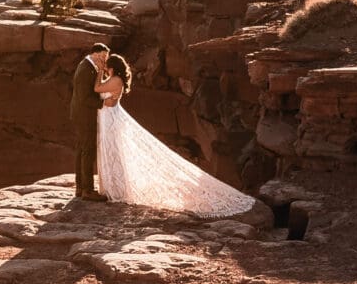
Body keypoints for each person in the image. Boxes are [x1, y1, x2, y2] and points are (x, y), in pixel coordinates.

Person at [91, 52, 258, 218]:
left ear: (112, 68)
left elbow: (97, 88)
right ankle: (113, 186)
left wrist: (98, 71)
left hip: (112, 118)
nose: (105, 69)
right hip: (109, 118)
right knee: (112, 152)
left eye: (107, 67)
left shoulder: (116, 80)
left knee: (114, 151)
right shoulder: (114, 79)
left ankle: (116, 188)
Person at [67, 42, 116, 201]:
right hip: (84, 115)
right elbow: (84, 97)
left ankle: (81, 188)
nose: (103, 60)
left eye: (105, 58)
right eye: (102, 57)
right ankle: (87, 190)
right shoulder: (85, 69)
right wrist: (103, 104)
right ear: (95, 54)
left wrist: (101, 70)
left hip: (82, 114)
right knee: (87, 149)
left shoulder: (89, 66)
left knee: (82, 149)